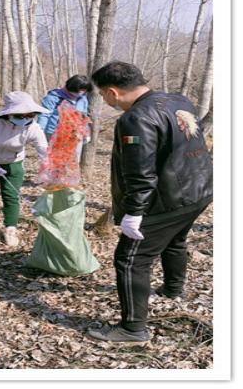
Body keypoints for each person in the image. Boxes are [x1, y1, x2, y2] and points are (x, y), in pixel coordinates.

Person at [86, 61, 213, 343]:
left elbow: (140, 174)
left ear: (112, 92)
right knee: (175, 241)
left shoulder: (136, 118)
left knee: (131, 259)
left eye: (104, 96)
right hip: (200, 189)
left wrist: (134, 213)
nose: (106, 102)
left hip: (169, 198)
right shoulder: (176, 99)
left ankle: (133, 330)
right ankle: (173, 288)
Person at [0, 91, 50, 246]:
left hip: (13, 162)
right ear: (9, 113)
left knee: (11, 196)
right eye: (20, 116)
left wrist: (48, 167)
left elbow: (43, 149)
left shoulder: (33, 128)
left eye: (30, 115)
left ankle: (10, 229)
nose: (25, 119)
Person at [37, 75, 93, 160]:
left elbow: (83, 116)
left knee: (73, 160)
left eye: (84, 91)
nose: (82, 93)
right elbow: (44, 116)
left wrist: (86, 132)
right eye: (80, 90)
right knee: (56, 161)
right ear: (71, 87)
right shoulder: (53, 98)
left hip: (75, 134)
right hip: (55, 133)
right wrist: (39, 133)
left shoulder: (82, 99)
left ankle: (70, 174)